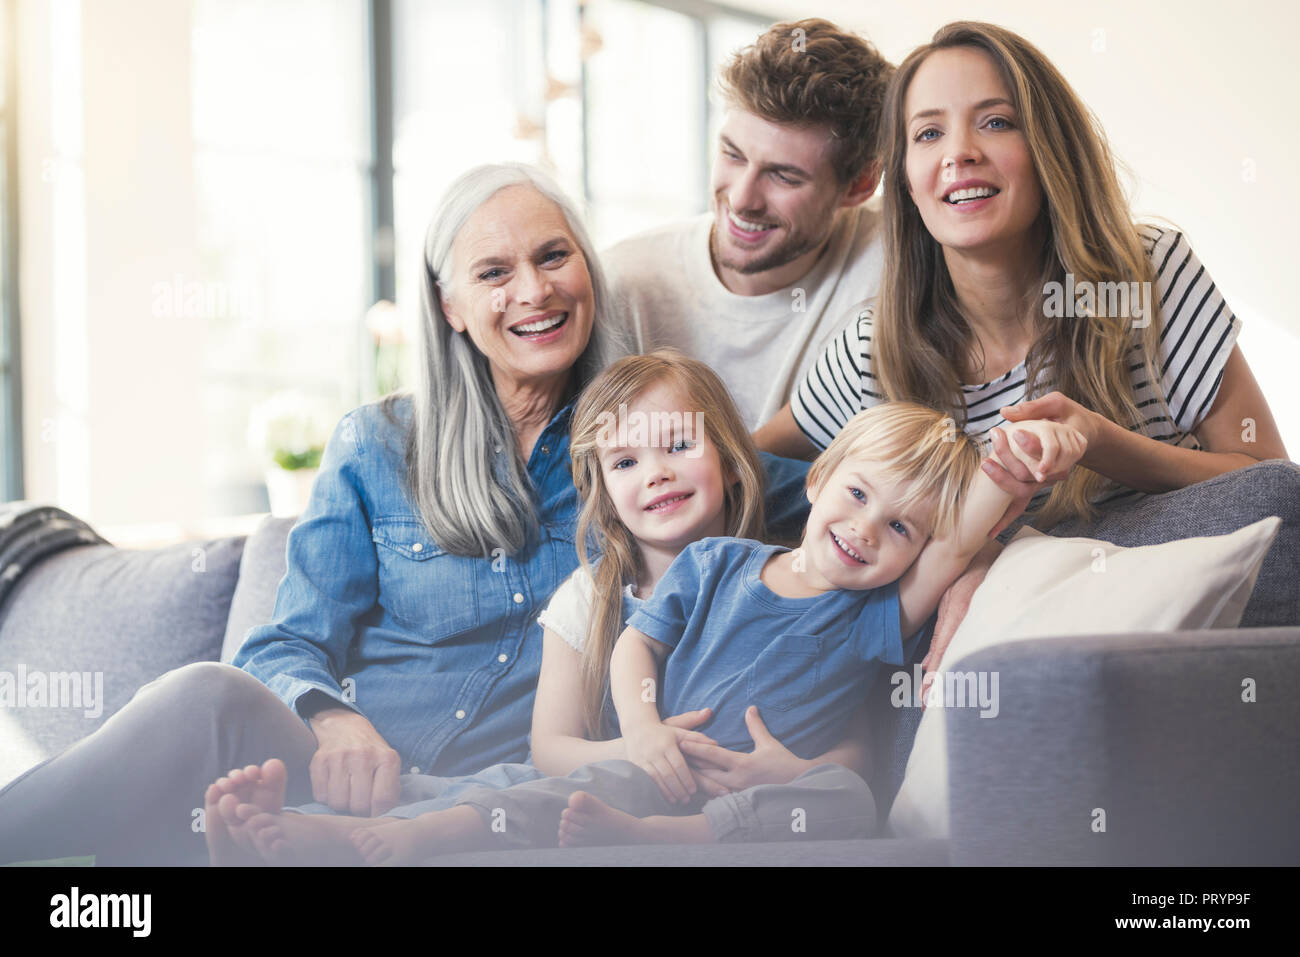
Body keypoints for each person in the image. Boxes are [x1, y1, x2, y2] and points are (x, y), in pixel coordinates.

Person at [0, 164, 811, 867]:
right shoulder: (378, 445)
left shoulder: (645, 444)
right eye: (493, 272)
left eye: (553, 255)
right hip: (341, 769)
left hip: (502, 799)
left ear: (588, 270)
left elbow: (854, 492)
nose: (533, 290)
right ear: (449, 304)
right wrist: (332, 715)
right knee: (205, 698)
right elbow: (285, 641)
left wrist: (936, 554)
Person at [208, 396, 1085, 864]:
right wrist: (640, 730)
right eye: (858, 496)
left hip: (731, 798)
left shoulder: (873, 616)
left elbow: (963, 531)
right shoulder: (719, 563)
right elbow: (638, 644)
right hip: (650, 758)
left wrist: (1014, 465)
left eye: (902, 529)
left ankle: (416, 844)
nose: (866, 530)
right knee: (502, 781)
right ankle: (323, 827)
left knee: (847, 802)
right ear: (817, 480)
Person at [755, 21, 1291, 678]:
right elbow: (749, 470)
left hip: (1155, 601)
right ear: (907, 183)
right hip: (977, 660)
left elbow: (1268, 485)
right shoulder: (874, 351)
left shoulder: (1149, 276)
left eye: (996, 122)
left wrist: (1098, 445)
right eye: (928, 134)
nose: (959, 153)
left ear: (1048, 149)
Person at [602, 18, 893, 430]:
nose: (741, 198)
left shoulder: (900, 253)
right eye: (733, 155)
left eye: (784, 176)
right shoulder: (624, 282)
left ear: (860, 185)